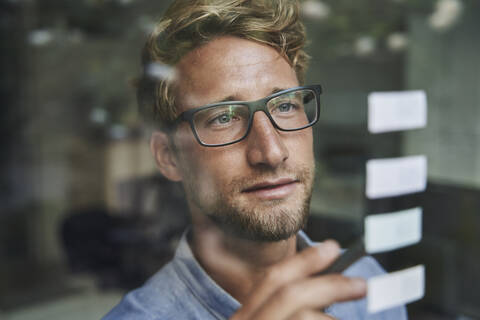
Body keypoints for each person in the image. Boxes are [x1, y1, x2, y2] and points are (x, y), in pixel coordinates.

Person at [104, 0, 408, 319]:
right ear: (168, 157)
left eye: (286, 105)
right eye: (224, 117)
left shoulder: (366, 283)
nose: (272, 153)